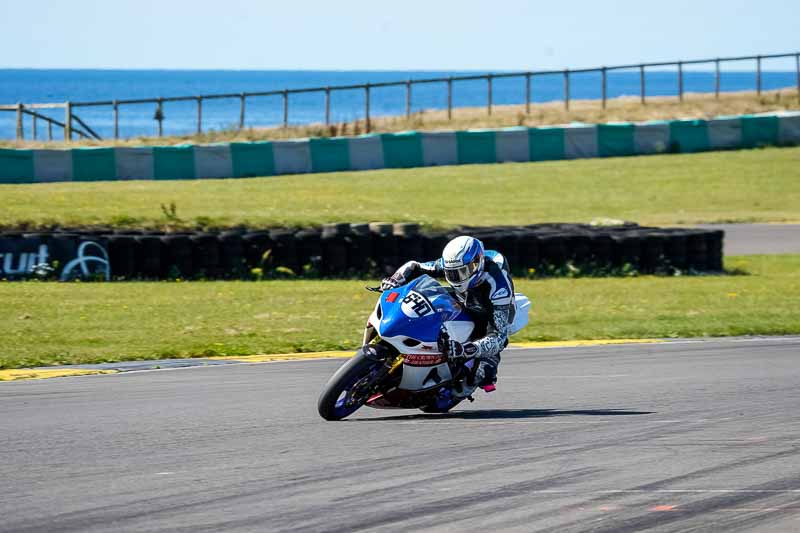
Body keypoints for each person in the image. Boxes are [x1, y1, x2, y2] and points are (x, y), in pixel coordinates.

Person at [380, 235, 515, 397]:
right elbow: (414, 266)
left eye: (461, 272)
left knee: (482, 373)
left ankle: (466, 384)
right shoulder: (450, 264)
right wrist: (395, 280)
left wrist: (467, 349)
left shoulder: (498, 287)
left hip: (488, 313)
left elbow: (500, 337)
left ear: (476, 264)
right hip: (462, 298)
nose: (455, 278)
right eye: (451, 274)